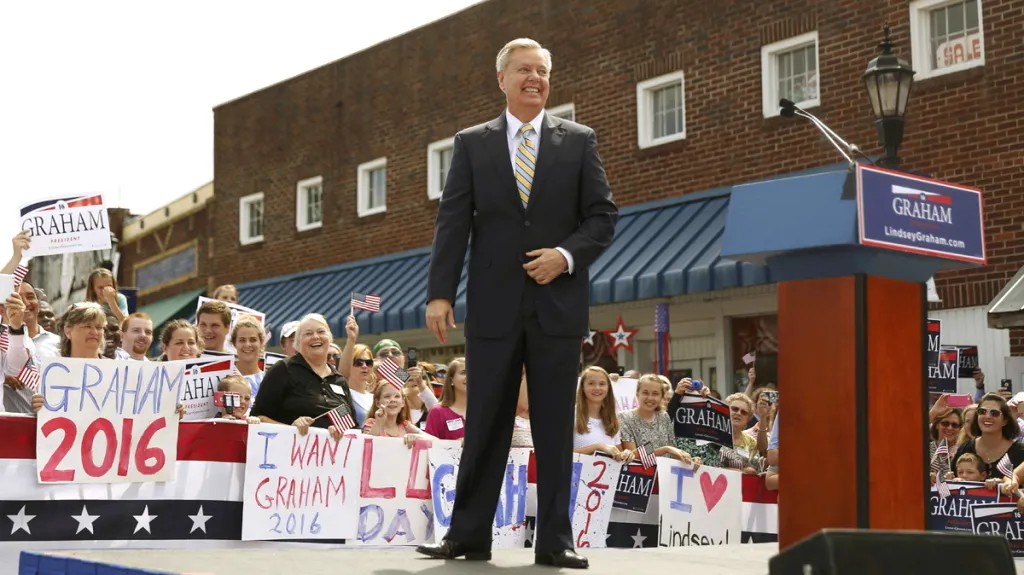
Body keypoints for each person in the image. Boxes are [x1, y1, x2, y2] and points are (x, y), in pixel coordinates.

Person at [419, 37, 617, 569]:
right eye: (525, 70)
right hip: (493, 308)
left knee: (554, 426)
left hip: (558, 307)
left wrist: (565, 255)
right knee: (485, 422)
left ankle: (556, 541)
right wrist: (440, 293)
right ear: (501, 78)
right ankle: (466, 537)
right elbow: (452, 224)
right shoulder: (471, 143)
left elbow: (602, 218)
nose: (536, 78)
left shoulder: (578, 141)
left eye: (544, 71)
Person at [251, 314, 357, 434]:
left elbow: (353, 427)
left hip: (334, 451)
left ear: (330, 338)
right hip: (290, 450)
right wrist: (291, 429)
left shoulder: (339, 380)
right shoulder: (283, 369)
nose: (316, 337)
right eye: (308, 333)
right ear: (298, 343)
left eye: (321, 331)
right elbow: (258, 417)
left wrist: (341, 430)